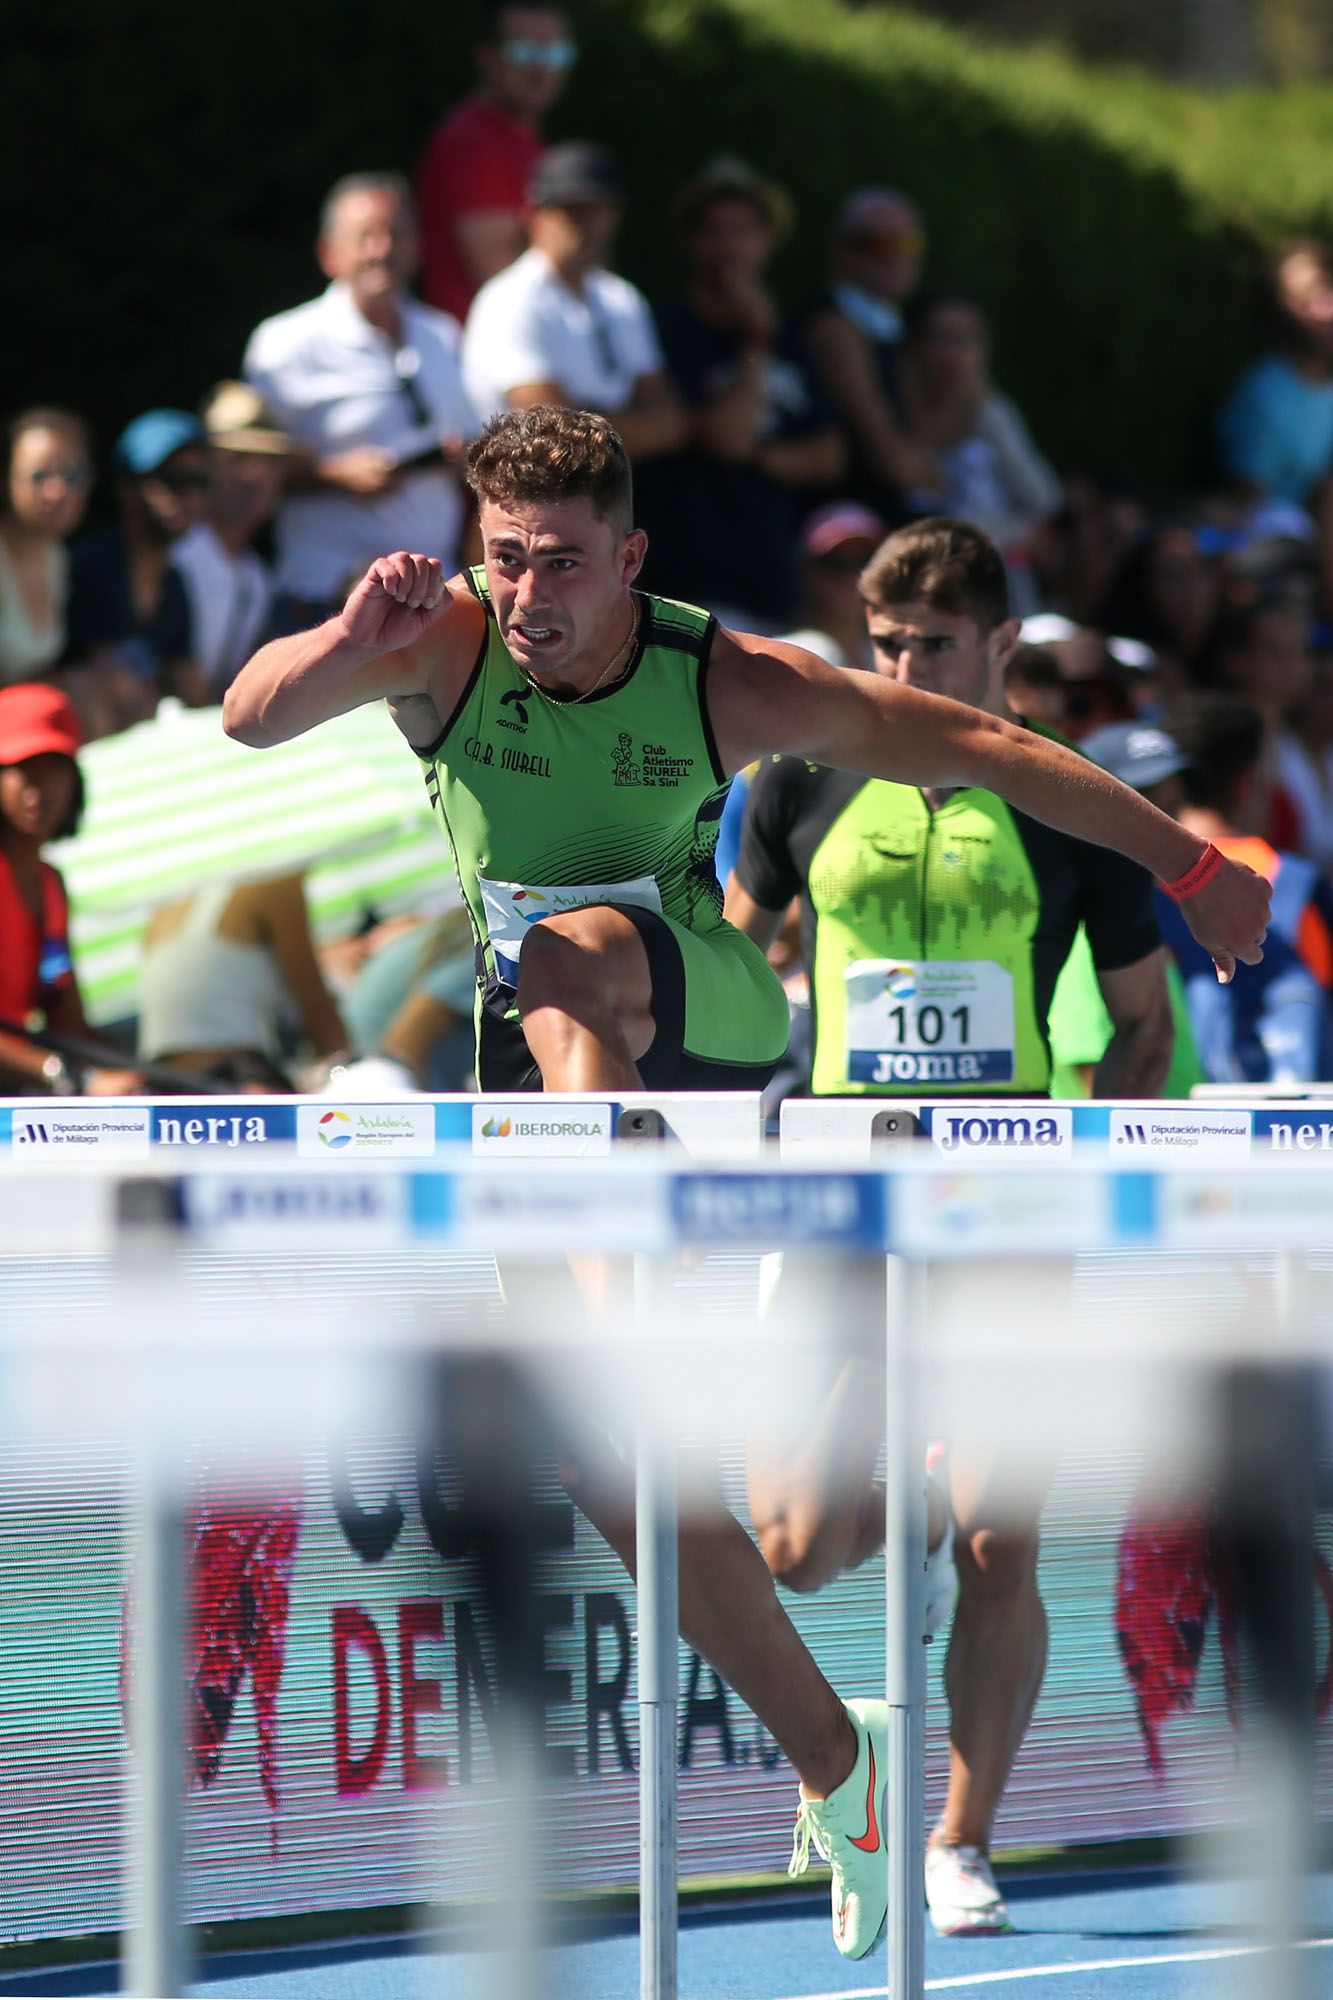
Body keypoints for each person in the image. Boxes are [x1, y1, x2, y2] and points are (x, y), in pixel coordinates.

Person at [223, 406, 1268, 1962]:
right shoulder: (437, 642)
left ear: (630, 561)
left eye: (563, 566)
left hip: (697, 1007)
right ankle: (842, 1773)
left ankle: (612, 1311)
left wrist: (1186, 865)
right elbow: (247, 719)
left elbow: (979, 745)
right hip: (540, 1061)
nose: (527, 598)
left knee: (576, 952)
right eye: (504, 560)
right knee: (628, 1486)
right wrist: (334, 634)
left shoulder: (720, 677)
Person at [723, 515, 1178, 1932]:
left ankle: (959, 1839)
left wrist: (1081, 1174)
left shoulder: (1066, 795)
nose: (906, 665)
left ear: (1000, 647)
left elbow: (1145, 1025)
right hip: (845, 1193)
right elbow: (739, 970)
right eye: (886, 643)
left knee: (1004, 1537)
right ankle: (907, 1485)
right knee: (788, 1542)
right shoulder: (798, 775)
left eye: (932, 645)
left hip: (1009, 1196)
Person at [243, 173, 477, 629]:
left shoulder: (442, 335)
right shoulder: (286, 343)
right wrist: (337, 476)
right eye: (366, 237)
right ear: (329, 254)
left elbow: (469, 441)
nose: (382, 249)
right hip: (324, 598)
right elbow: (243, 471)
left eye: (395, 233)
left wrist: (457, 458)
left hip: (436, 597)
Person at [637, 157, 843, 630]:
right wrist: (754, 340)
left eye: (744, 230)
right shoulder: (666, 332)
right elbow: (724, 436)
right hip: (689, 588)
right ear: (691, 242)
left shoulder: (790, 339)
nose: (729, 247)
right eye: (714, 231)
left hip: (772, 588)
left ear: (767, 242)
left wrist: (761, 456)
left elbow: (830, 454)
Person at [460, 144, 684, 462]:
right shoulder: (508, 301)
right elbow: (554, 435)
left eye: (598, 209)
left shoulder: (621, 298)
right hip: (530, 499)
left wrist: (588, 423)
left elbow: (670, 423)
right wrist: (633, 427)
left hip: (610, 495)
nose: (586, 223)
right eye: (571, 210)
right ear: (534, 215)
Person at [1157, 693, 1333, 1084]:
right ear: (1248, 783)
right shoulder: (1301, 887)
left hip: (1169, 1126)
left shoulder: (1141, 889)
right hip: (1298, 1134)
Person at [0, 682, 141, 1094]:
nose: (38, 788)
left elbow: (66, 1021)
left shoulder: (52, 887)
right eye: (22, 768)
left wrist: (142, 1074)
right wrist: (67, 1075)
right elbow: (62, 1062)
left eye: (54, 766)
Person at [896, 292, 1061, 614]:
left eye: (965, 340)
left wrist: (1005, 536)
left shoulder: (994, 415)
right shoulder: (893, 420)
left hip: (1004, 598)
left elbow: (1044, 498)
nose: (952, 354)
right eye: (940, 339)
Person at [416, 2, 575, 323]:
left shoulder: (527, 141)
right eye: (525, 52)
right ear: (487, 57)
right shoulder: (472, 142)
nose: (542, 69)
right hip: (484, 356)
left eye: (556, 54)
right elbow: (501, 280)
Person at [64, 408, 210, 729]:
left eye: (198, 482)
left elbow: (189, 684)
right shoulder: (93, 564)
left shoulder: (175, 583)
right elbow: (112, 681)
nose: (187, 496)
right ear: (127, 487)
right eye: (171, 480)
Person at [136, 873, 349, 1090]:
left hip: (163, 1088)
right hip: (231, 1081)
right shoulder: (276, 881)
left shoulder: (170, 900)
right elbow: (318, 1011)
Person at [803, 187, 933, 518]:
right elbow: (892, 457)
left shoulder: (889, 329)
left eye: (907, 243)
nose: (895, 256)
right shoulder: (835, 328)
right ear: (843, 252)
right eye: (877, 244)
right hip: (847, 529)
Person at [170, 384, 301, 698]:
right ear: (205, 467)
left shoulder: (255, 575)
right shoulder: (177, 555)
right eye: (238, 459)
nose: (254, 475)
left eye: (269, 462)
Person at [1218, 241, 1333, 513]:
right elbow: (1246, 506)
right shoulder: (1265, 395)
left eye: (1323, 289)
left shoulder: (1325, 389)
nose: (1320, 311)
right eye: (1299, 301)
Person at [0, 408, 92, 687]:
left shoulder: (56, 559)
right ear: (7, 479)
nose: (57, 491)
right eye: (40, 476)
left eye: (71, 476)